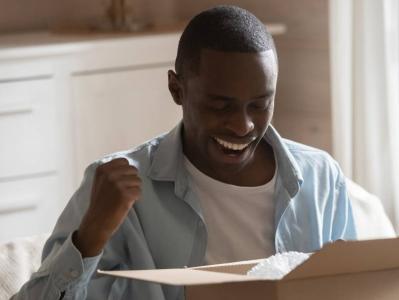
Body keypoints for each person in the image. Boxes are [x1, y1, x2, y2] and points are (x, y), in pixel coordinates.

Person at [12, 5, 356, 300]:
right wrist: (90, 237)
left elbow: (359, 287)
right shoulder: (116, 185)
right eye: (221, 106)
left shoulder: (321, 176)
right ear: (177, 89)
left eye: (260, 105)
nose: (243, 126)